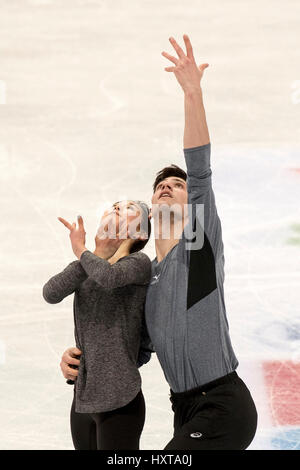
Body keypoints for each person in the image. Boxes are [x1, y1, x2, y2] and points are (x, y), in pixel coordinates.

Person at [60, 34, 258, 450]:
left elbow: (199, 171)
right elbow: (130, 353)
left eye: (176, 186)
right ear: (151, 209)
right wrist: (77, 361)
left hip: (223, 404)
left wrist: (192, 94)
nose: (167, 188)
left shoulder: (198, 247)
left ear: (191, 207)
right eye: (160, 187)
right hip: (183, 410)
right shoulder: (144, 278)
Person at [43, 200, 152, 450]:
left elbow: (110, 278)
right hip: (83, 398)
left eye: (127, 209)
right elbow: (51, 293)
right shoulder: (87, 266)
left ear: (140, 233)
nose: (116, 208)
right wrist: (90, 255)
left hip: (120, 399)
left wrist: (83, 251)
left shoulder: (139, 263)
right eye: (114, 205)